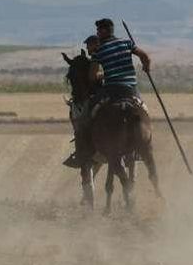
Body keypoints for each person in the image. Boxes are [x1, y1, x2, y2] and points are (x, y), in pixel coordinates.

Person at [62, 19, 151, 168]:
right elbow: (145, 57)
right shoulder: (126, 42)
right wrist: (146, 67)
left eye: (98, 31)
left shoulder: (100, 51)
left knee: (86, 114)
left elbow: (92, 76)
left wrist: (106, 75)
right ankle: (142, 147)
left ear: (104, 31)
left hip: (112, 90)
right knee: (143, 112)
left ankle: (82, 151)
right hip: (131, 89)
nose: (97, 34)